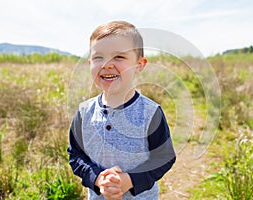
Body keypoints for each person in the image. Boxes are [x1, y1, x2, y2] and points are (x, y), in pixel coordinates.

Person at [67, 20, 176, 200]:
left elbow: (164, 157)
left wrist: (130, 180)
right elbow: (76, 156)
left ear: (139, 65)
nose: (107, 64)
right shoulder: (84, 113)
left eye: (119, 57)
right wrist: (97, 178)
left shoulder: (150, 112)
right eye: (98, 57)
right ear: (89, 63)